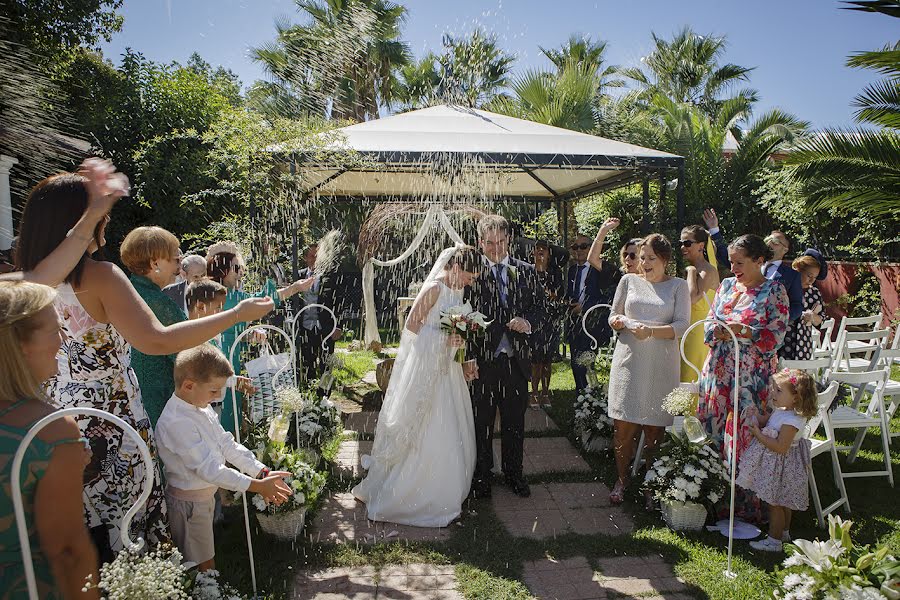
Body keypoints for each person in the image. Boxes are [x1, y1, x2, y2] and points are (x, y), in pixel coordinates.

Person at [13, 168, 274, 560]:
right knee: (127, 525)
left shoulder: (26, 285)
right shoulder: (100, 276)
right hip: (113, 419)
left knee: (78, 527)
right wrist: (236, 314)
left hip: (56, 418)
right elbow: (159, 340)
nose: (107, 222)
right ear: (84, 221)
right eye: (102, 217)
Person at [352, 246, 479, 526]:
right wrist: (443, 341)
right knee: (428, 426)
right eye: (470, 276)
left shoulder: (457, 290)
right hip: (428, 370)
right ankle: (412, 492)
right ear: (456, 268)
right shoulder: (434, 288)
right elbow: (411, 326)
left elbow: (454, 332)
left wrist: (461, 355)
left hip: (448, 370)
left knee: (454, 426)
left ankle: (449, 486)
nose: (471, 282)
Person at [0, 281, 100, 599]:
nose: (64, 340)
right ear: (20, 344)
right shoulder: (49, 430)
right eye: (56, 329)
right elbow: (68, 553)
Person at [155, 344, 292, 570]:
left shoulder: (200, 406)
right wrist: (257, 486)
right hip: (189, 505)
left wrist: (261, 471)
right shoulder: (177, 422)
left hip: (203, 497)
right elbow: (210, 469)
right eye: (213, 390)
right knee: (200, 565)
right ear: (189, 385)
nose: (218, 396)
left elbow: (227, 444)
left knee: (204, 555)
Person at [697, 234, 789, 523]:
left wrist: (746, 332)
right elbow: (707, 327)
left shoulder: (774, 290)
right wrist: (720, 331)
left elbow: (776, 337)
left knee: (745, 437)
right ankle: (711, 500)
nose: (734, 268)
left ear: (760, 260)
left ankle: (746, 508)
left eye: (740, 262)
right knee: (712, 430)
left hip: (751, 379)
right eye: (731, 262)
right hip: (718, 372)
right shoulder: (726, 285)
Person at [607, 234, 690, 506]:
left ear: (665, 260)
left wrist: (651, 331)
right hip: (628, 362)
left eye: (651, 258)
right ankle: (621, 480)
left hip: (661, 365)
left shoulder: (678, 286)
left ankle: (651, 483)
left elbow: (681, 326)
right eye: (642, 258)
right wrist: (621, 322)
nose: (644, 263)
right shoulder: (628, 281)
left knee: (654, 430)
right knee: (623, 427)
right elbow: (613, 316)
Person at [465, 215, 540, 499]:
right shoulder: (470, 274)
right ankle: (482, 476)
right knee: (482, 421)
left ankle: (514, 474)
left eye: (501, 242)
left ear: (509, 240)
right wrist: (468, 356)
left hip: (516, 361)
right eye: (489, 243)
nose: (496, 248)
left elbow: (540, 309)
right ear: (479, 242)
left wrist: (528, 322)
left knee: (514, 422)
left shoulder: (527, 271)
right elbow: (462, 316)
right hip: (483, 361)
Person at [206, 243, 314, 434]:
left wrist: (247, 336)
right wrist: (295, 288)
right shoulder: (224, 296)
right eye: (236, 268)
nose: (241, 273)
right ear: (222, 270)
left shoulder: (224, 295)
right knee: (225, 407)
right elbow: (266, 299)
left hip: (230, 356)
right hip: (221, 359)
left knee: (228, 404)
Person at [736, 369, 818, 552]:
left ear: (796, 397)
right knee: (782, 502)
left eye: (779, 390)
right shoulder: (782, 411)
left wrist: (758, 435)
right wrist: (756, 416)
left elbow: (781, 447)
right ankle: (784, 533)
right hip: (776, 465)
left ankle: (774, 541)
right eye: (774, 389)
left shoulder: (793, 421)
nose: (773, 393)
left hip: (781, 466)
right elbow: (767, 421)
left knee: (776, 504)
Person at [703, 209, 802, 324]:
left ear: (785, 249)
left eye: (775, 241)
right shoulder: (729, 282)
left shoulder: (791, 276)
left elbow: (796, 305)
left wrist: (779, 318)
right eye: (768, 239)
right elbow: (727, 254)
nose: (770, 243)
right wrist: (714, 230)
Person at [566, 221, 621, 391]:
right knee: (575, 361)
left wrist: (584, 307)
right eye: (575, 247)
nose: (579, 250)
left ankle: (592, 394)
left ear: (592, 247)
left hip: (594, 324)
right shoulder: (572, 270)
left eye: (583, 246)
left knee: (588, 361)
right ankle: (581, 395)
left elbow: (608, 297)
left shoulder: (601, 269)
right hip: (574, 322)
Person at [296, 243, 342, 384]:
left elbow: (339, 301)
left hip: (326, 327)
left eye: (318, 256)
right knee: (307, 362)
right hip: (305, 327)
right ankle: (311, 396)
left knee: (327, 364)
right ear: (306, 258)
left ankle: (325, 398)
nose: (315, 259)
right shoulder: (298, 276)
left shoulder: (331, 276)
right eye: (312, 256)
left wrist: (338, 325)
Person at [679, 225, 720, 381]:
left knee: (691, 375)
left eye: (688, 243)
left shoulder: (707, 270)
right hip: (686, 328)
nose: (683, 247)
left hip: (699, 332)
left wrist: (690, 272)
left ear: (701, 246)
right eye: (681, 243)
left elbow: (692, 298)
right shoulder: (697, 268)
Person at [530, 240, 565, 406]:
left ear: (549, 255)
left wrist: (549, 293)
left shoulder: (555, 273)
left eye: (544, 250)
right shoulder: (528, 271)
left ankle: (545, 392)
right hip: (533, 321)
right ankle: (534, 393)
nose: (540, 253)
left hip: (551, 320)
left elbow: (560, 294)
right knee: (535, 360)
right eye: (537, 250)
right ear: (533, 253)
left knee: (547, 360)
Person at [781, 250, 828, 361]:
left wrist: (812, 316)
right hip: (783, 341)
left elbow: (821, 321)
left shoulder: (814, 292)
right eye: (809, 275)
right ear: (797, 270)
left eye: (815, 277)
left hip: (803, 344)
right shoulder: (783, 288)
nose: (811, 280)